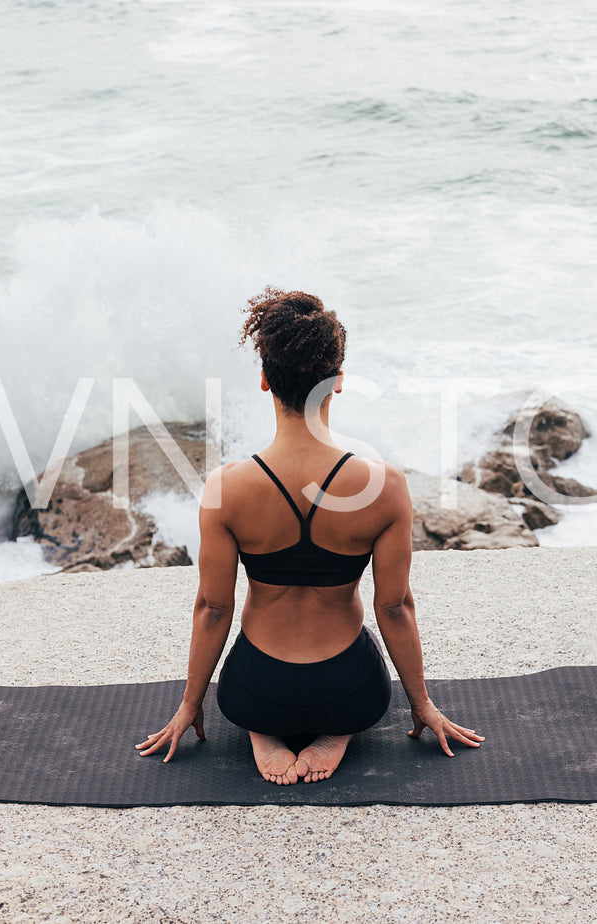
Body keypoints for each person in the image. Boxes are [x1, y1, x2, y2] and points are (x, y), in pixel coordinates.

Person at [136, 287, 484, 785]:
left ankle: (264, 730)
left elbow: (213, 609)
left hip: (254, 688)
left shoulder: (225, 488)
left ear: (263, 380)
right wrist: (422, 704)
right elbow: (395, 607)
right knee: (349, 687)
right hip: (351, 690)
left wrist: (189, 706)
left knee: (261, 700)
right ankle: (336, 730)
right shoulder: (385, 488)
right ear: (337, 383)